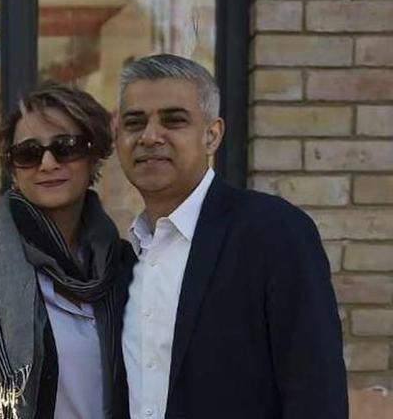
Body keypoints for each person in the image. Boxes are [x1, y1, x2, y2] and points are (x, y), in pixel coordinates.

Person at [115, 54, 347, 419]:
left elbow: (315, 392)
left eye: (174, 120)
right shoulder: (126, 256)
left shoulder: (274, 232)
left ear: (212, 135)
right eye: (135, 122)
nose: (150, 136)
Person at [0, 82, 133, 419]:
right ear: (13, 170)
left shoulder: (122, 262)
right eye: (28, 153)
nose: (47, 163)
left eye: (66, 147)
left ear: (93, 156)